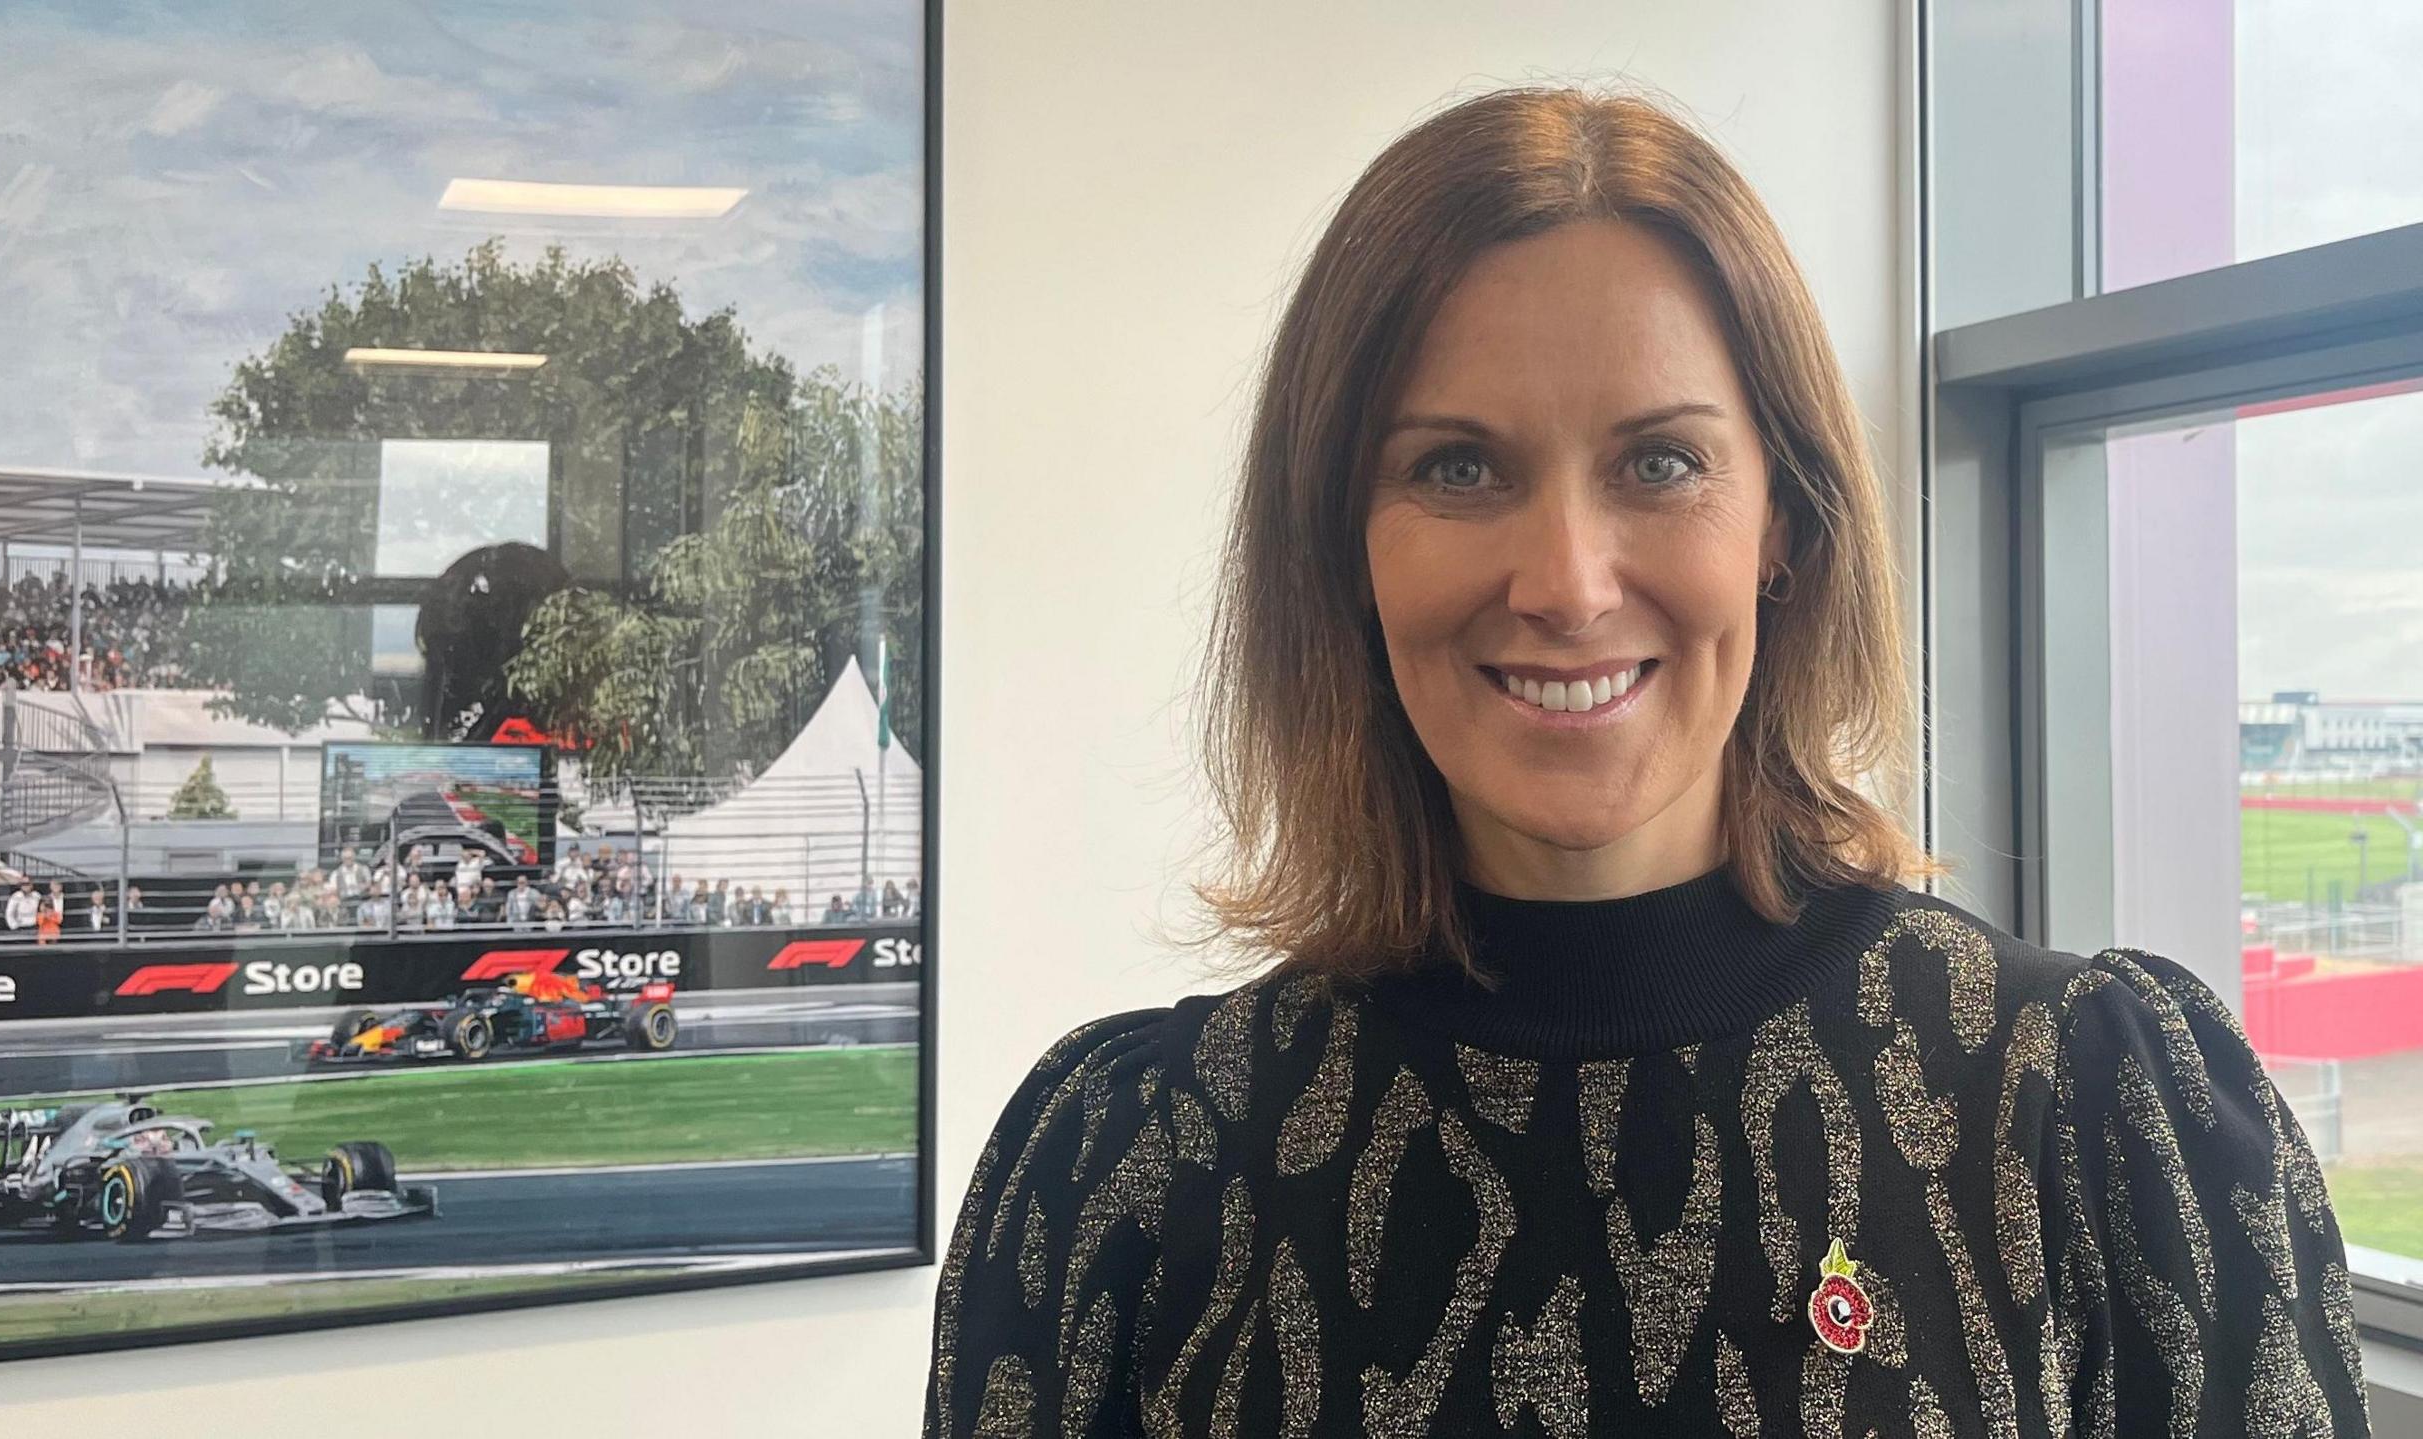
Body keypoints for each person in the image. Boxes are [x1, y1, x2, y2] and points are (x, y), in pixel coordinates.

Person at [924, 87, 2370, 1438]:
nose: (1565, 582)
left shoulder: (2086, 1118)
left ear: (1784, 526)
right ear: (1343, 550)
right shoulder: (1131, 1174)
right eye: (1457, 468)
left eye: (1661, 463)